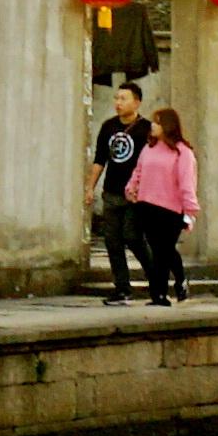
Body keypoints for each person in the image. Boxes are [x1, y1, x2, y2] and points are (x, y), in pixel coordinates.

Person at [86, 81, 154, 300]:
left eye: (123, 99)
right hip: (112, 192)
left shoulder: (147, 129)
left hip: (136, 195)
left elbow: (154, 163)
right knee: (112, 241)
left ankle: (156, 277)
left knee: (133, 237)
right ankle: (122, 288)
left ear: (137, 102)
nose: (118, 103)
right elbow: (100, 159)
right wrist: (90, 187)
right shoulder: (108, 127)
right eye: (116, 98)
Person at [127, 107, 202, 303]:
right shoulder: (149, 148)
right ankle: (160, 293)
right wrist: (132, 187)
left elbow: (187, 183)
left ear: (168, 126)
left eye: (158, 122)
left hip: (171, 210)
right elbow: (139, 171)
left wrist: (190, 210)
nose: (153, 126)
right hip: (147, 205)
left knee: (165, 249)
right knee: (158, 249)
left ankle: (173, 284)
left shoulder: (182, 152)